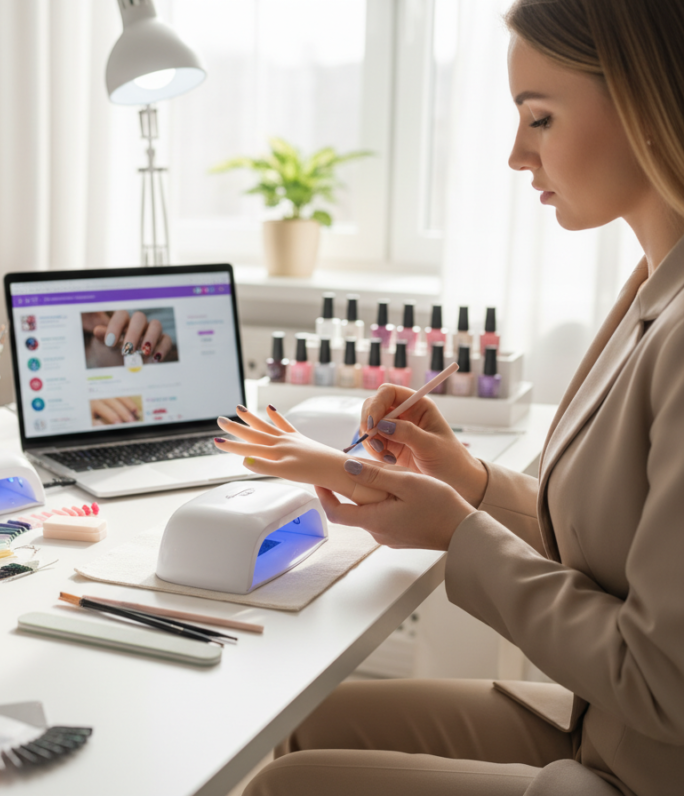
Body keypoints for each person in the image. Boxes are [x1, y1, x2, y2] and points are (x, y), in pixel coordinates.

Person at [214, 1, 684, 793]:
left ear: (643, 100)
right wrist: (467, 479)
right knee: (309, 722)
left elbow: (659, 680)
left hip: (644, 757)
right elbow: (620, 547)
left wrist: (458, 534)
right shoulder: (652, 286)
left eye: (539, 118)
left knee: (276, 787)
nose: (515, 154)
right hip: (607, 726)